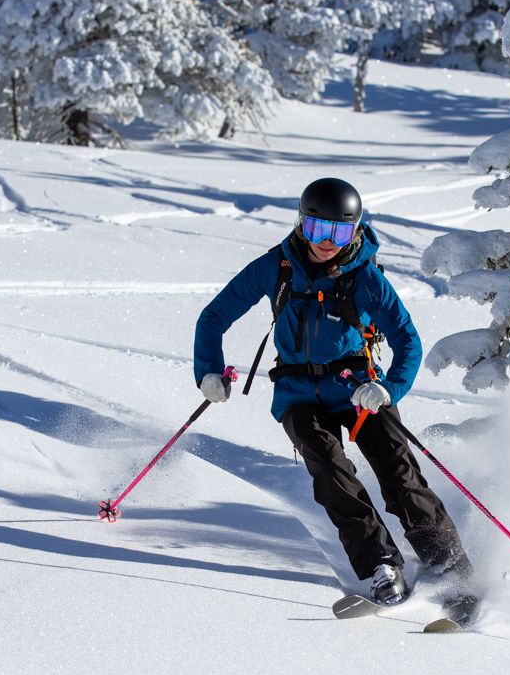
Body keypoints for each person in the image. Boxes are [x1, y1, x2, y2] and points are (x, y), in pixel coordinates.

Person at [193, 177, 474, 606]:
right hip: (298, 393)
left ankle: (450, 566)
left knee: (398, 472)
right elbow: (213, 317)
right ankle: (381, 564)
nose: (327, 242)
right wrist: (209, 372)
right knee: (330, 472)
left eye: (340, 232)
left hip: (358, 388)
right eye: (317, 229)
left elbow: (407, 339)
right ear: (301, 223)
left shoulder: (364, 276)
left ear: (356, 230)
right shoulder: (276, 266)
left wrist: (389, 388)